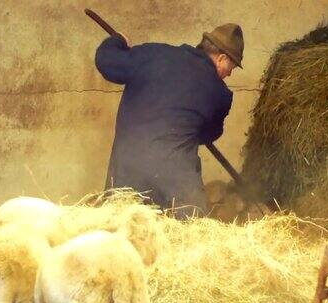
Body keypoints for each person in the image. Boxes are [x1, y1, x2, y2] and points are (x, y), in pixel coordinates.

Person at [95, 23, 243, 219]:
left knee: (123, 235)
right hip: (176, 189)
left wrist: (118, 40)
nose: (230, 74)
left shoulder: (151, 54)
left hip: (125, 178)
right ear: (222, 58)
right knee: (188, 238)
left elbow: (106, 61)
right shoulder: (221, 94)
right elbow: (208, 134)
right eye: (231, 67)